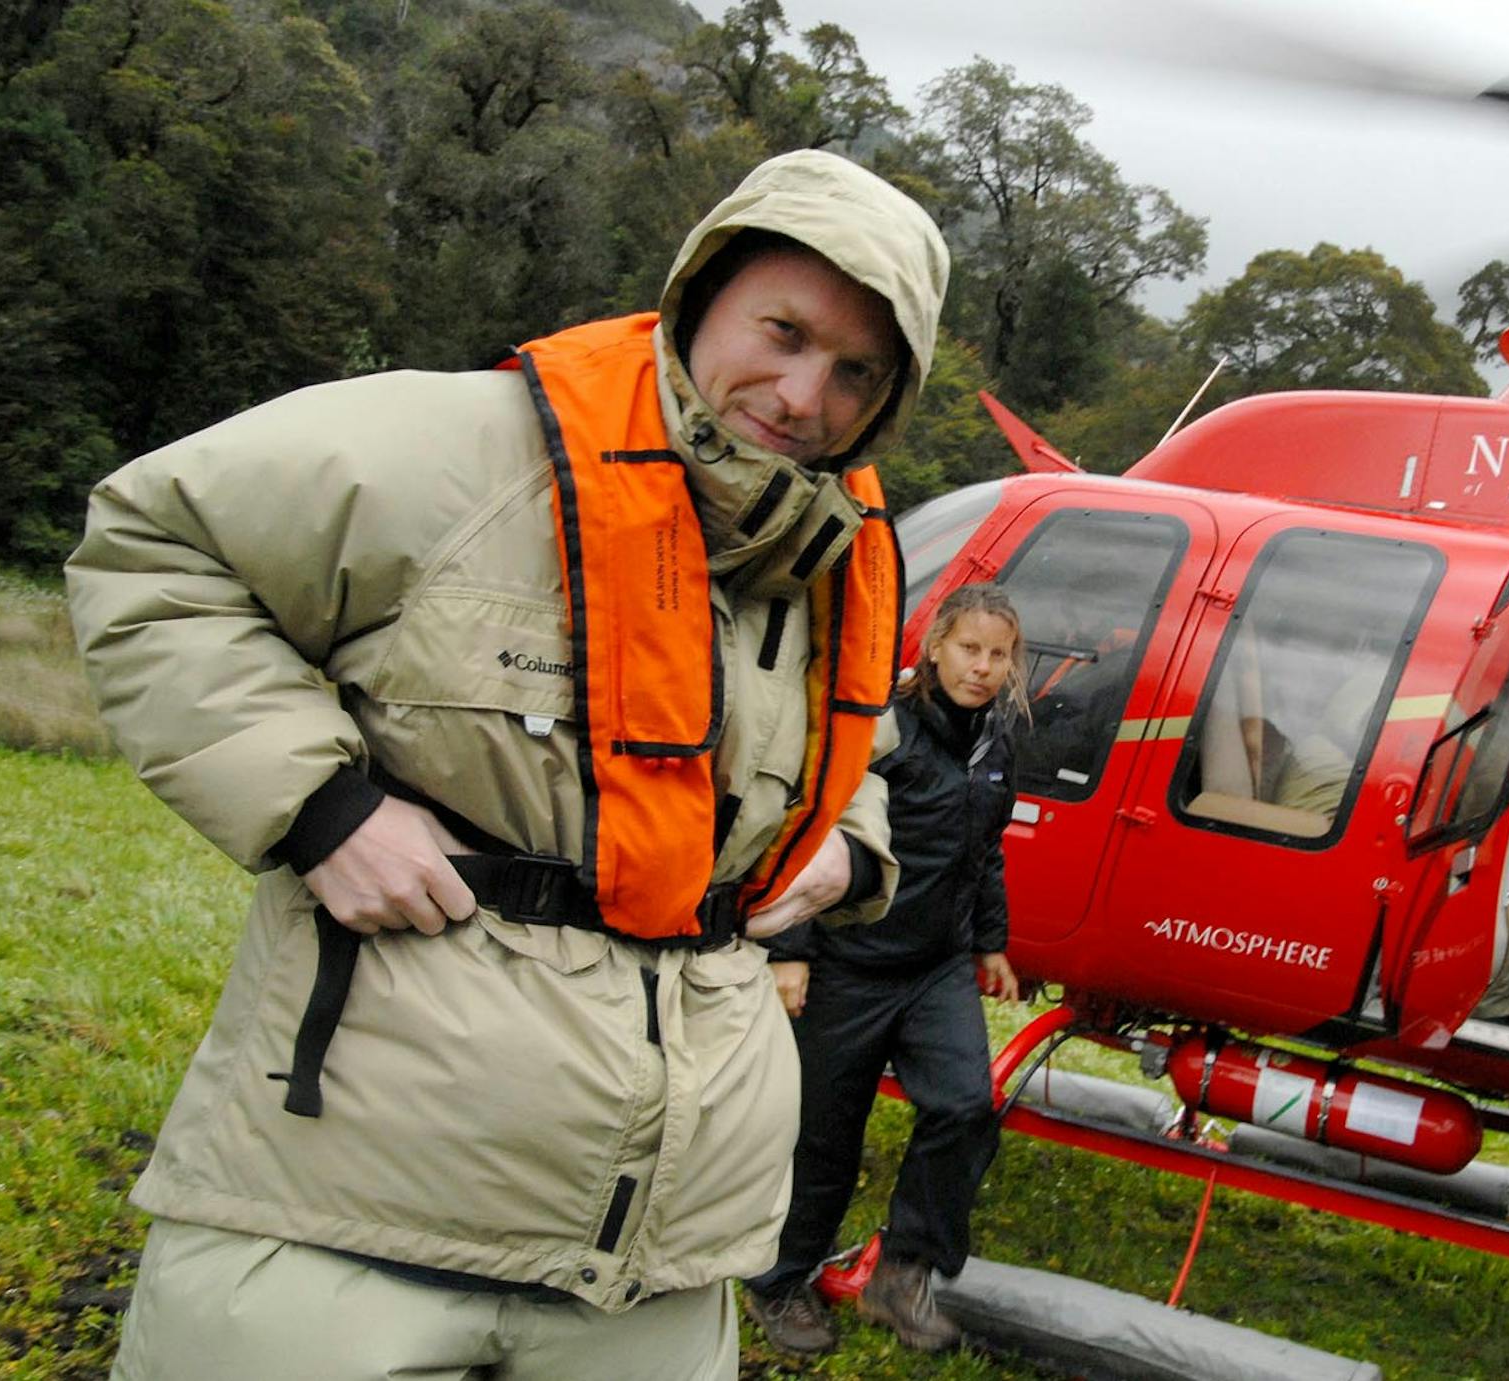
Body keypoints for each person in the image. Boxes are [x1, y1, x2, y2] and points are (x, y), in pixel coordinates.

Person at [65, 149, 950, 1381]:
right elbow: (157, 545)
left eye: (856, 370)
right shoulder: (461, 448)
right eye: (783, 331)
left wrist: (847, 852)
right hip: (341, 1231)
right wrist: (318, 806)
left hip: (654, 1268)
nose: (804, 395)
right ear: (700, 298)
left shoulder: (834, 556)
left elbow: (860, 749)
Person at [742, 583, 1027, 1357]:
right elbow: (814, 828)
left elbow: (985, 849)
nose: (983, 667)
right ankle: (780, 1280)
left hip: (936, 967)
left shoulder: (997, 740)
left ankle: (902, 1269)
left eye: (998, 655)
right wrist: (792, 949)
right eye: (970, 648)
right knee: (825, 1137)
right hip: (850, 961)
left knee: (967, 1105)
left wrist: (991, 941)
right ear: (935, 645)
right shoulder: (886, 728)